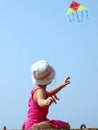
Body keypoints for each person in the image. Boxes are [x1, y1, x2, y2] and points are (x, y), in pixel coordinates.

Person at [22, 60, 71, 130]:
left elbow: (50, 93)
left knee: (56, 125)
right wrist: (46, 102)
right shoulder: (40, 91)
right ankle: (39, 127)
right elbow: (40, 101)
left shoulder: (39, 90)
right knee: (66, 126)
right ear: (49, 79)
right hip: (35, 123)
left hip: (31, 122)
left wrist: (62, 85)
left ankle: (41, 126)